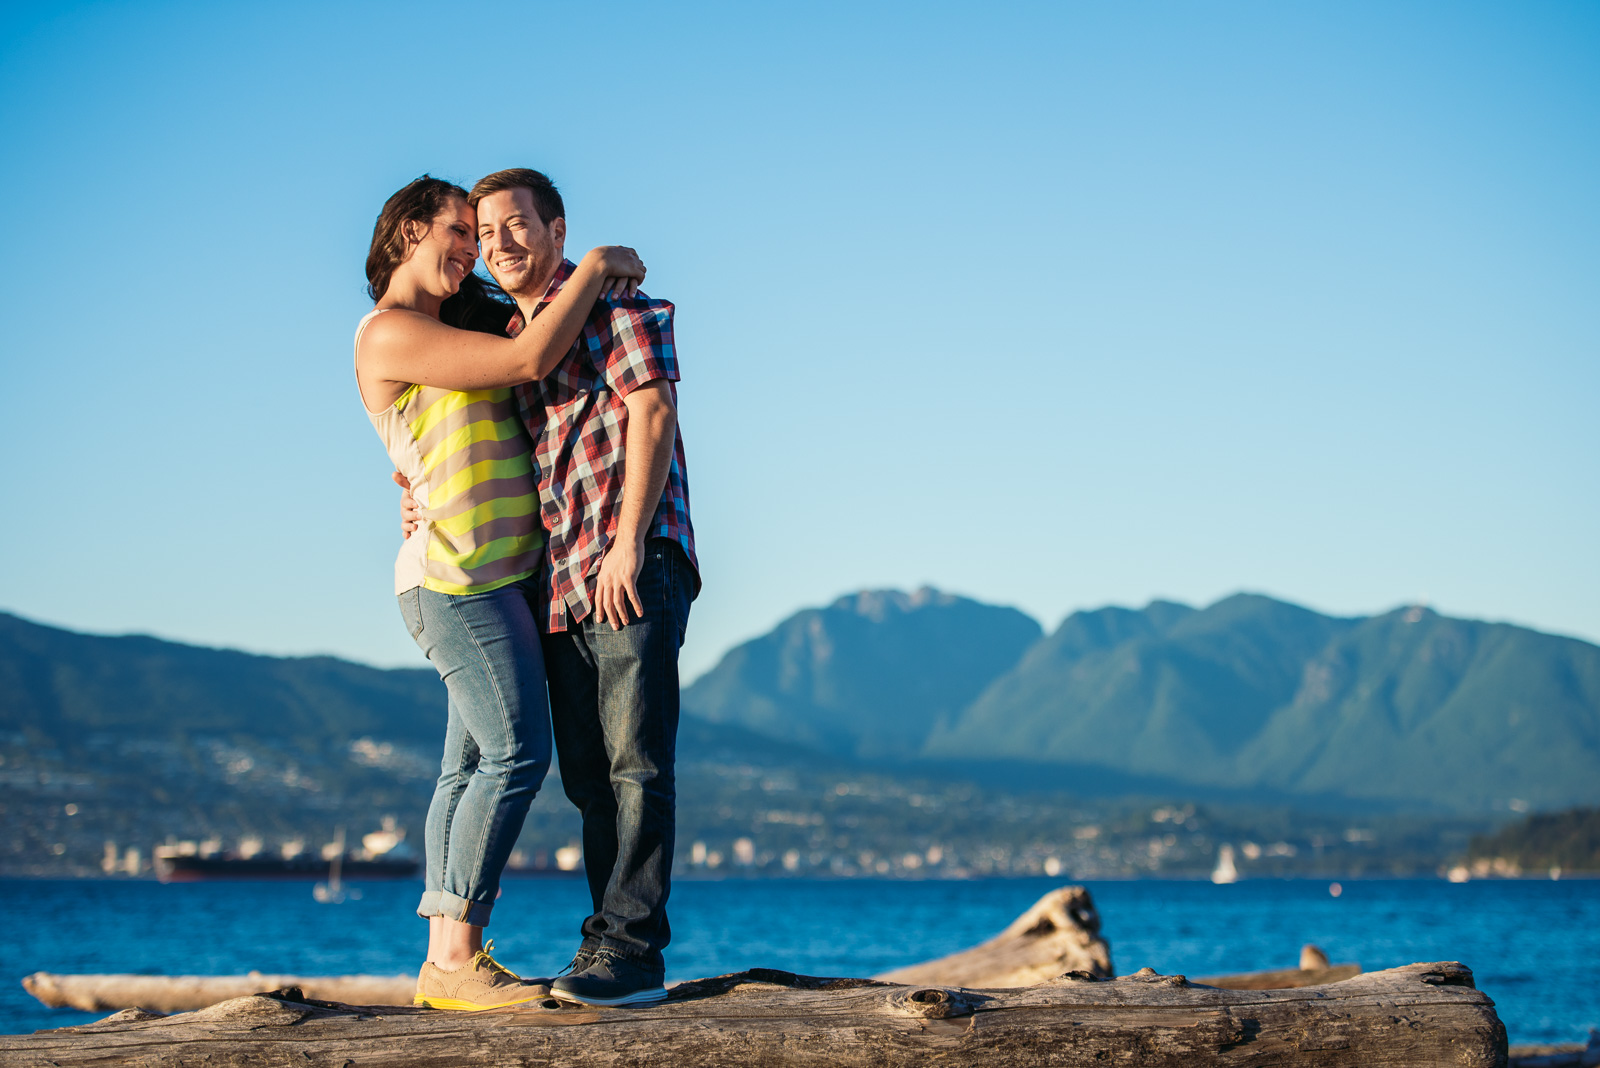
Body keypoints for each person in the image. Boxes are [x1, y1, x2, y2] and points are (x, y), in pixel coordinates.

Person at [399, 167, 698, 1007]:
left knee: (638, 765)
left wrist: (630, 544)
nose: (498, 244)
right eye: (484, 234)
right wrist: (411, 483)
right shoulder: (512, 333)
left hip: (628, 562)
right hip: (557, 581)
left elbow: (654, 409)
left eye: (515, 225)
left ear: (558, 232)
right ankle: (604, 947)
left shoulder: (614, 305)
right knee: (589, 780)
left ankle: (632, 954)